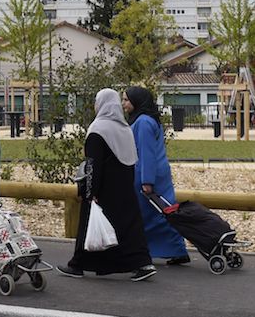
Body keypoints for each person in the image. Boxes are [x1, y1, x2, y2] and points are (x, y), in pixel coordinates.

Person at [58, 88, 156, 282]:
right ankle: (142, 263)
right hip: (124, 187)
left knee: (89, 224)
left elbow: (93, 165)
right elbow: (131, 160)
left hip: (103, 189)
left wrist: (90, 192)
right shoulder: (125, 128)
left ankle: (77, 264)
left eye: (97, 101)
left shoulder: (98, 130)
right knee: (129, 226)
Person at [123, 86, 190, 266]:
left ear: (136, 101)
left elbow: (146, 152)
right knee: (162, 212)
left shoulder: (143, 122)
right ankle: (174, 249)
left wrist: (146, 180)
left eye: (126, 100)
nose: (123, 104)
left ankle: (143, 251)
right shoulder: (149, 119)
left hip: (147, 173)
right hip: (157, 172)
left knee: (152, 214)